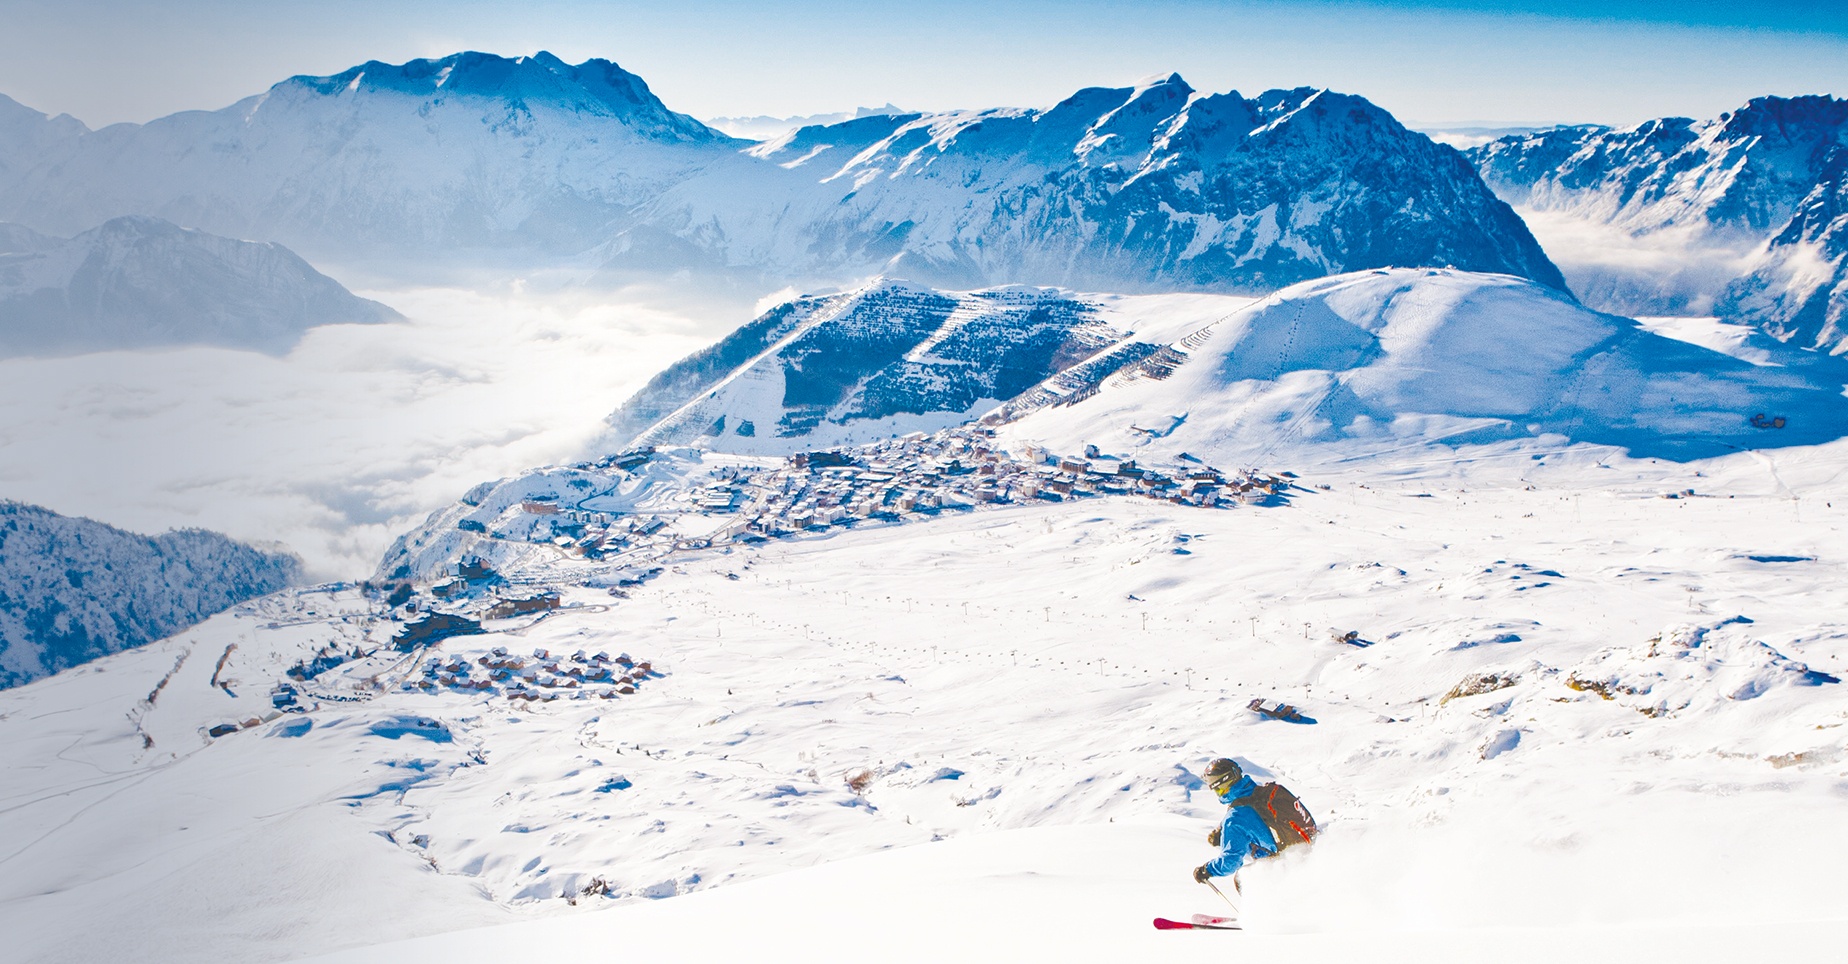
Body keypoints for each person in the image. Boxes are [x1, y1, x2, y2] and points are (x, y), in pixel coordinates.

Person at [1192, 757, 1277, 888]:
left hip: (1282, 865)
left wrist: (1206, 870)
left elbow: (1230, 863)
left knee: (1242, 877)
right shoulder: (1263, 794)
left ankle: (1262, 908)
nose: (1218, 793)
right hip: (1300, 853)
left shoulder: (1235, 818)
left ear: (1226, 784)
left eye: (1218, 789)